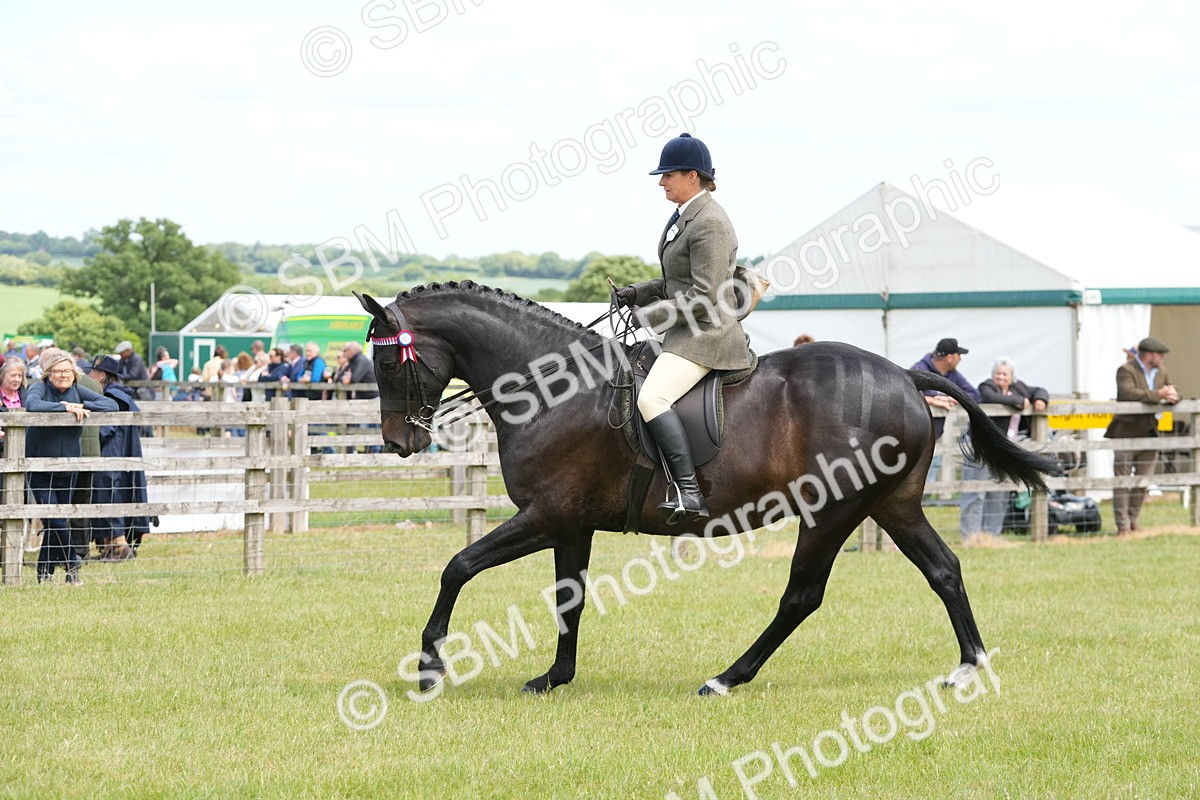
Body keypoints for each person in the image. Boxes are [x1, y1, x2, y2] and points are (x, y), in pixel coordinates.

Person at [614, 132, 753, 524]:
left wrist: (650, 318)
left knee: (652, 398)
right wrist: (636, 294)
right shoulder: (684, 217)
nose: (661, 182)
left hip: (707, 335)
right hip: (683, 331)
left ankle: (689, 492)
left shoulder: (710, 222)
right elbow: (675, 283)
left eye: (667, 175)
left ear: (692, 176)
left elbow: (705, 297)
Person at [26, 351, 118, 584]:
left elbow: (111, 404)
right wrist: (65, 407)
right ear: (49, 374)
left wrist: (80, 404)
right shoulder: (39, 388)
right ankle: (73, 560)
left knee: (56, 520)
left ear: (74, 374)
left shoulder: (77, 390)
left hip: (69, 468)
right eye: (58, 371)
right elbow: (33, 405)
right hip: (40, 467)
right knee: (55, 518)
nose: (63, 375)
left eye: (67, 371)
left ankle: (44, 573)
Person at [960, 357, 1050, 543]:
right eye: (997, 374)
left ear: (1012, 377)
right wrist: (1018, 401)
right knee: (975, 492)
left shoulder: (1019, 387)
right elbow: (989, 398)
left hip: (1004, 450)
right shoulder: (986, 386)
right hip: (980, 447)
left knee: (1000, 493)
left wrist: (1040, 399)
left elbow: (1039, 390)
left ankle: (992, 535)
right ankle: (970, 537)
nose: (1000, 377)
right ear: (992, 376)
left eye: (1005, 374)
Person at [1104, 336, 1180, 534]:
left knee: (1142, 481)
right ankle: (1122, 526)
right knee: (1122, 481)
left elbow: (1171, 388)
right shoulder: (1126, 370)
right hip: (1125, 432)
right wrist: (1159, 395)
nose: (1162, 358)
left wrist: (1173, 396)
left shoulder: (1162, 371)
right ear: (1148, 355)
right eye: (1159, 354)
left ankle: (1133, 520)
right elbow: (1129, 393)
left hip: (1149, 432)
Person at [88, 355, 150, 559]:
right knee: (108, 494)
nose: (89, 375)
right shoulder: (114, 394)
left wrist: (89, 437)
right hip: (118, 452)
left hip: (112, 453)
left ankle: (120, 547)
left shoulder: (113, 397)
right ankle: (109, 547)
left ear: (102, 375)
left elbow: (107, 428)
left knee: (111, 493)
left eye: (92, 372)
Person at [911, 337, 981, 484]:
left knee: (927, 479)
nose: (960, 359)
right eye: (958, 355)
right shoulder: (920, 370)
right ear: (949, 357)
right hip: (916, 437)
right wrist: (936, 398)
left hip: (934, 435)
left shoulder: (953, 374)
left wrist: (948, 398)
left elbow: (974, 395)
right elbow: (911, 393)